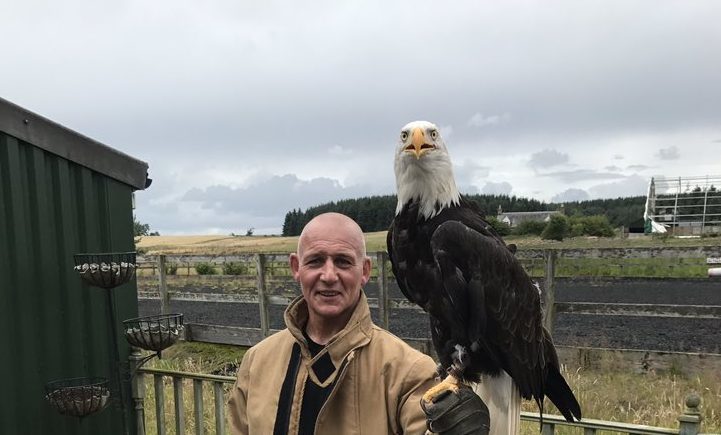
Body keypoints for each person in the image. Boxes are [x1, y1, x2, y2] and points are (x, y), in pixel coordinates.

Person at [228, 212, 488, 434]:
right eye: (316, 260)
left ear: (364, 271)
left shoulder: (408, 372)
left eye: (342, 261)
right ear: (296, 267)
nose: (329, 276)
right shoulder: (257, 362)